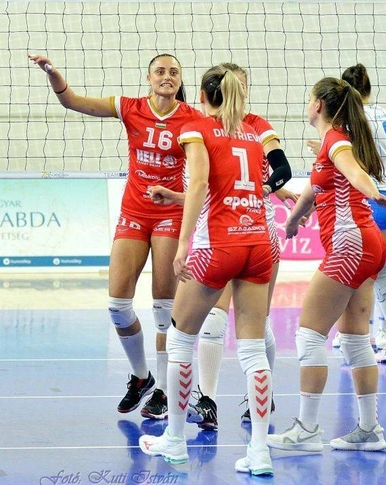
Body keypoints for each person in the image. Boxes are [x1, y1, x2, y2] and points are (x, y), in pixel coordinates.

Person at [29, 52, 203, 420]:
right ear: (148, 78)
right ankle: (141, 377)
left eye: (174, 72)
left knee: (164, 309)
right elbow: (72, 102)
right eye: (160, 71)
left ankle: (164, 390)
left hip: (170, 213)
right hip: (134, 213)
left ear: (180, 80)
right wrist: (53, 72)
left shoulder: (192, 119)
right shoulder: (129, 107)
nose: (167, 76)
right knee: (118, 306)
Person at [138, 63, 275, 476]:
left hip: (217, 245)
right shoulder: (253, 133)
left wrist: (183, 243)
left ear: (201, 95)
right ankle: (259, 452)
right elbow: (247, 186)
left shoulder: (197, 128)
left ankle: (175, 441)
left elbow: (200, 185)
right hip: (258, 244)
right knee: (253, 350)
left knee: (180, 340)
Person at [267, 77, 386, 453]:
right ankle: (370, 429)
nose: (307, 104)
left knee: (309, 335)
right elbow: (315, 188)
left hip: (349, 244)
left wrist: (374, 192)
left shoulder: (336, 140)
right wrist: (294, 219)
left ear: (319, 105)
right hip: (366, 244)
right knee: (355, 338)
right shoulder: (330, 141)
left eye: (309, 99)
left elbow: (353, 171)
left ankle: (307, 429)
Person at [317, 64, 386, 364]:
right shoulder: (383, 113)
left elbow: (354, 162)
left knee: (377, 276)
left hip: (376, 199)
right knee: (370, 273)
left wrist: (325, 151)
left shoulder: (355, 119)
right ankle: (368, 335)